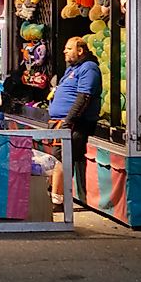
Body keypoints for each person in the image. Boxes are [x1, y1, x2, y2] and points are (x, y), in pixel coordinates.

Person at [48, 36, 102, 206]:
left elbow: (84, 97)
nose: (65, 51)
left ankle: (57, 201)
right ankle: (56, 197)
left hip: (74, 124)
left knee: (62, 160)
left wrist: (69, 121)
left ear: (80, 51)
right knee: (58, 159)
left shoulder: (89, 68)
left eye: (69, 48)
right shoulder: (72, 69)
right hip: (60, 122)